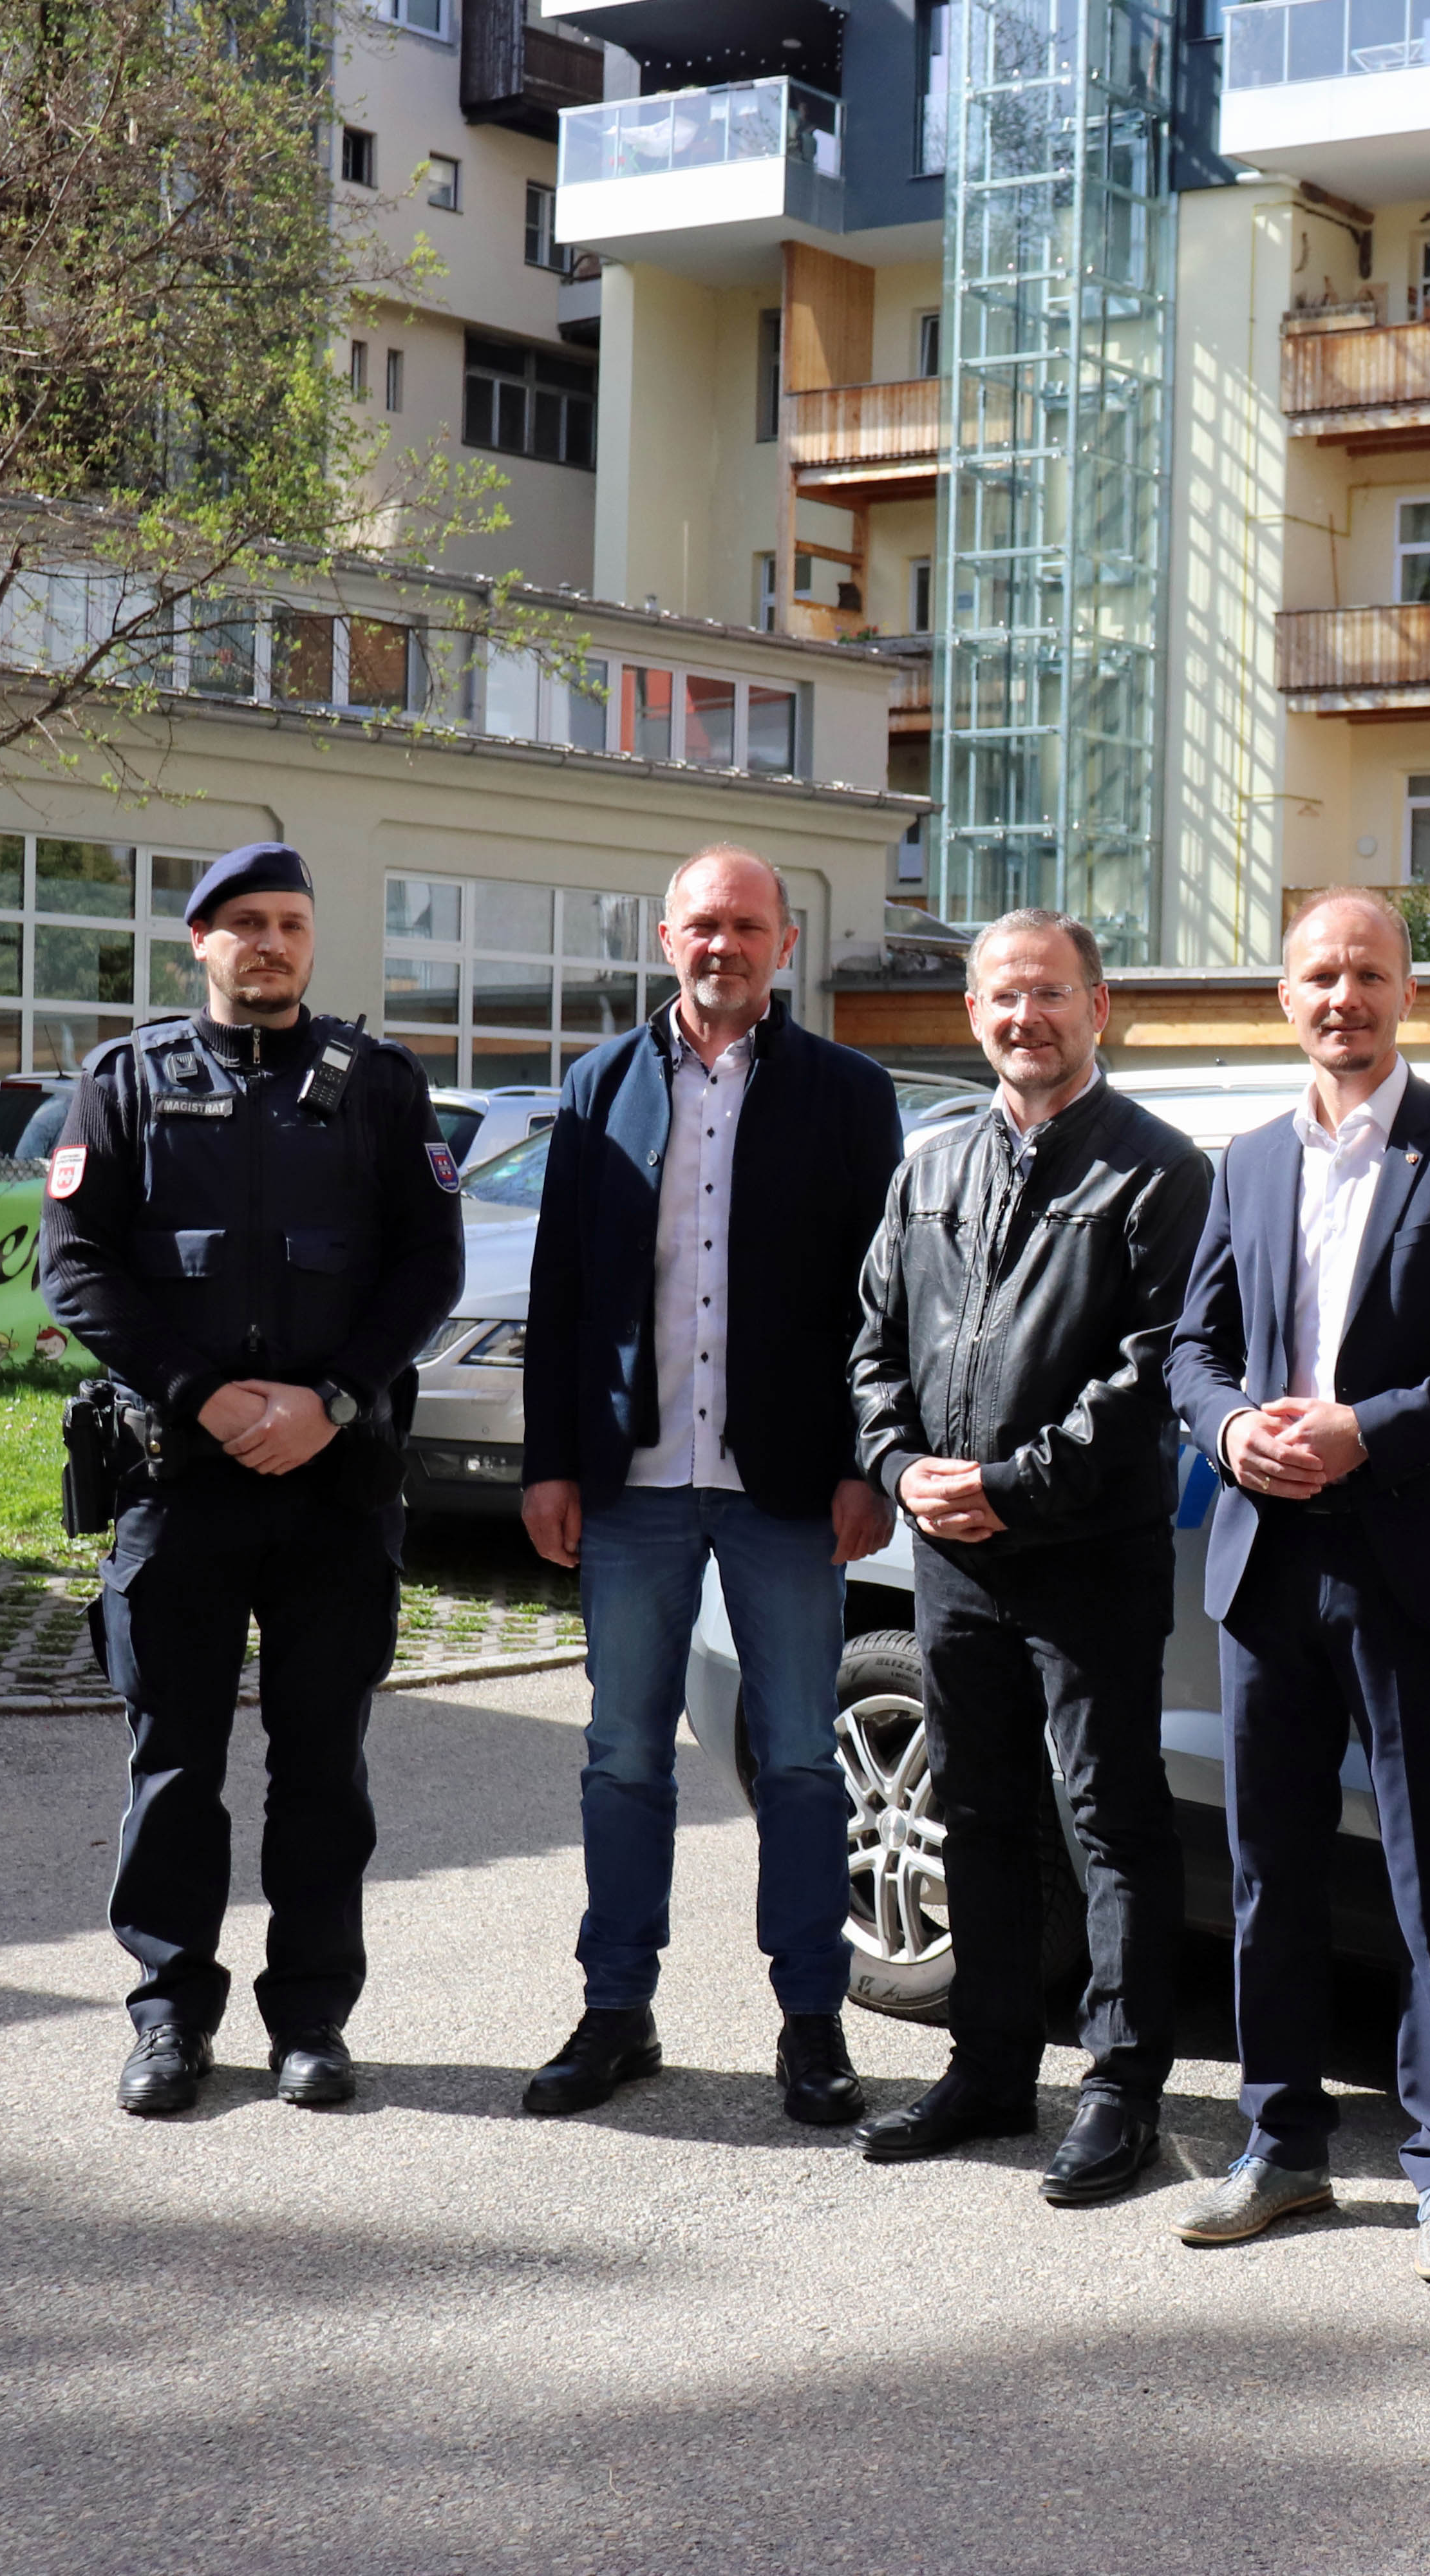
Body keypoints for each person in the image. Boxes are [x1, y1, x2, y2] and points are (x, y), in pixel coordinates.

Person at [1163, 889, 1430, 2282]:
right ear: (1287, 997)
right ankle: (1278, 2149)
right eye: (1320, 975)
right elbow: (1193, 1344)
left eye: (1370, 974)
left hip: (1418, 1558)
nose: (1345, 996)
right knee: (1269, 1870)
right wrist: (1229, 1427)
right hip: (1269, 1556)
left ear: (1410, 992)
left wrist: (1365, 1426)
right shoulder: (1251, 1156)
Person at [39, 842, 466, 2116]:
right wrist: (207, 1395)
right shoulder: (124, 1083)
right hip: (181, 1479)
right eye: (245, 924)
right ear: (201, 941)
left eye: (290, 921)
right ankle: (170, 2018)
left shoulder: (380, 1085)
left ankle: (313, 2021)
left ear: (310, 942)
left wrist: (328, 1400)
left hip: (333, 1485)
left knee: (322, 1767)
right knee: (174, 1762)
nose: (271, 942)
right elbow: (78, 1268)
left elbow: (425, 1269)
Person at [513, 846, 905, 2126]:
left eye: (748, 925)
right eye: (703, 925)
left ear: (785, 945)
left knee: (798, 1755)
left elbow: (878, 1301)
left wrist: (865, 1463)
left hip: (788, 1485)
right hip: (632, 1477)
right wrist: (551, 1463)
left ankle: (812, 2022)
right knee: (624, 1755)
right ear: (665, 937)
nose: (724, 944)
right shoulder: (599, 1086)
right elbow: (560, 1295)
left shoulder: (849, 1094)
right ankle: (616, 2005)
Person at [849, 907, 1210, 2197]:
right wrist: (902, 1468)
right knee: (983, 1810)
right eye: (1003, 996)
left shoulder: (1160, 1171)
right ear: (974, 1013)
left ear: (1097, 1007)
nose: (1025, 1017)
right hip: (952, 1553)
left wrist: (1012, 1484)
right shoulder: (932, 1163)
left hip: (1086, 1551)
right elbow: (875, 1341)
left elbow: (1151, 1370)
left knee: (1109, 1816)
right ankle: (991, 2065)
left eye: (1050, 994)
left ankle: (1120, 2085)